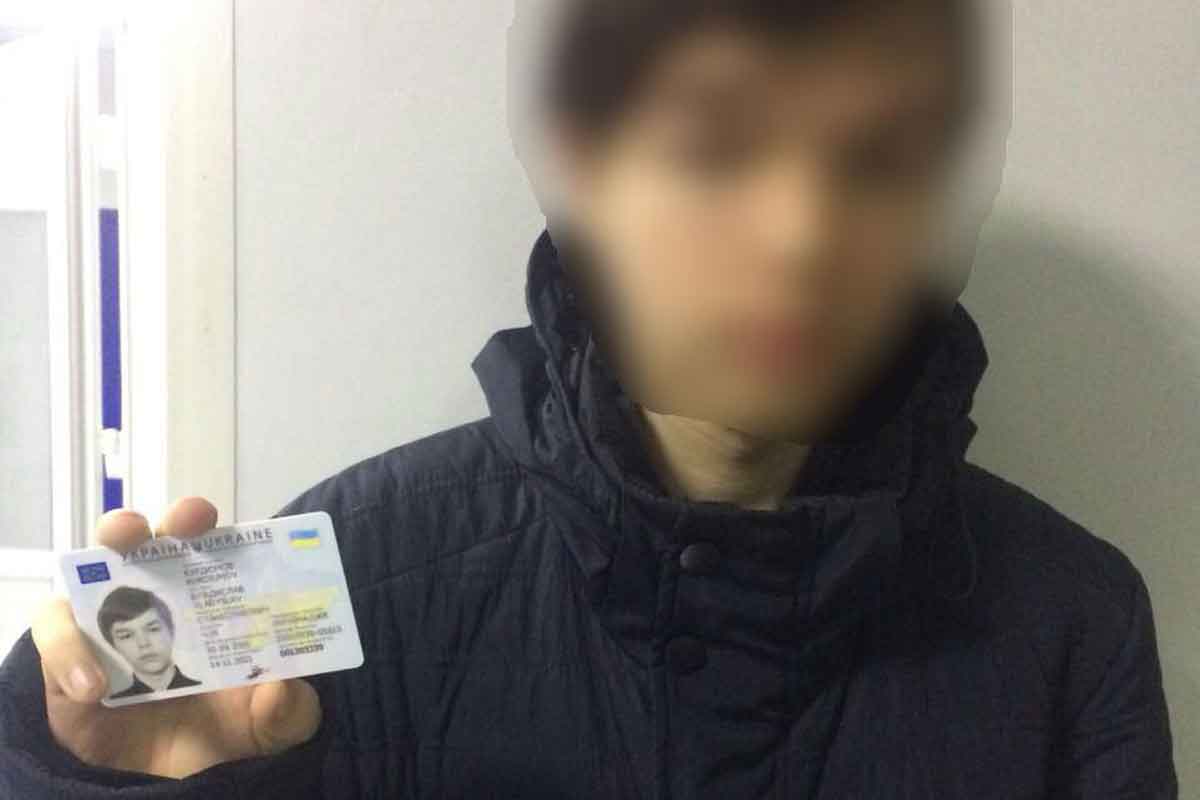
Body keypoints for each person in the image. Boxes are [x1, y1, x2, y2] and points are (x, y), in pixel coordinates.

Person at [0, 0, 1178, 797]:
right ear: (581, 169)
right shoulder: (355, 577)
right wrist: (112, 780)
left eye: (876, 160)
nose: (803, 234)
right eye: (714, 147)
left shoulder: (1071, 620)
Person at [96, 586, 201, 699]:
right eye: (126, 636)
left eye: (153, 629)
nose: (143, 644)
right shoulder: (114, 704)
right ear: (113, 646)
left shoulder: (207, 692)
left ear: (171, 630)